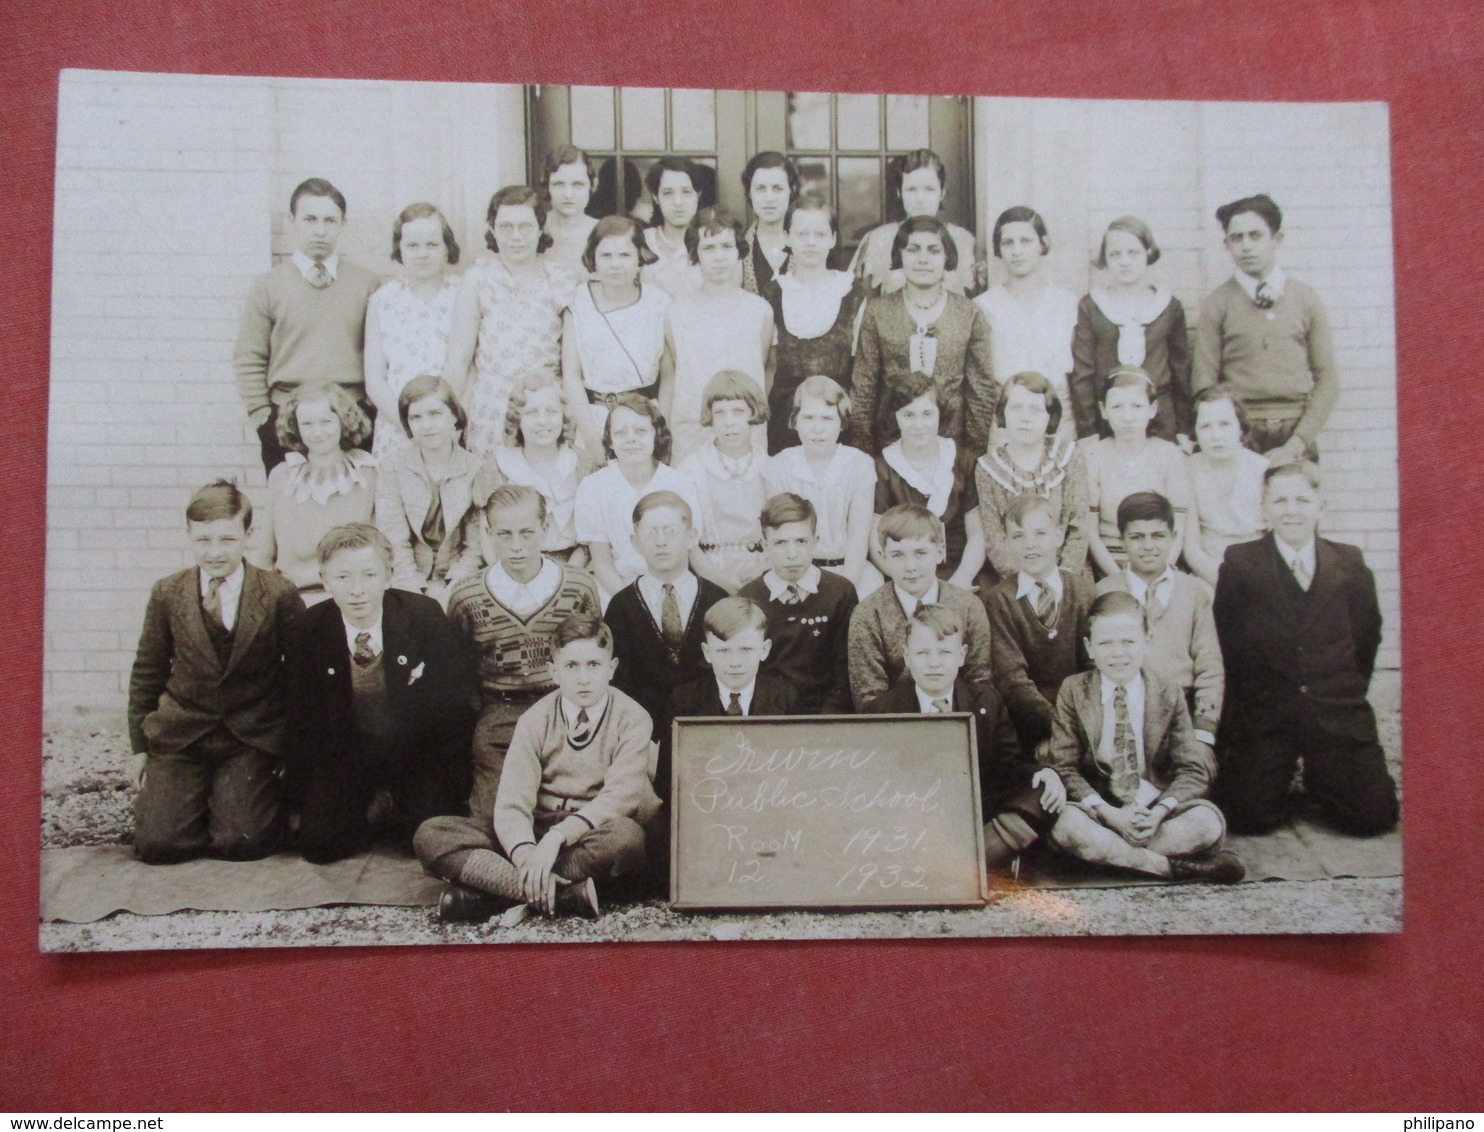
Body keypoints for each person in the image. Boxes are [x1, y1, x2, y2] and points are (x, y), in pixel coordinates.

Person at [414, 484, 601, 921]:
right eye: (503, 535)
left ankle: (488, 889)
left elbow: (591, 660)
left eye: (526, 532)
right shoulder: (467, 595)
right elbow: (458, 677)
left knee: (615, 834)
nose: (516, 547)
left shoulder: (577, 586)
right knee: (466, 831)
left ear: (545, 529)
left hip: (564, 712)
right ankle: (557, 892)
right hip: (500, 718)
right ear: (487, 535)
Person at [432, 613, 660, 923]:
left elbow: (620, 797)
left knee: (627, 839)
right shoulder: (535, 719)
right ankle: (561, 894)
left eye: (593, 665)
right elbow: (513, 801)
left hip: (586, 834)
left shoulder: (632, 718)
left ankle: (493, 892)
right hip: (537, 828)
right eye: (571, 666)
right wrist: (526, 852)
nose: (583, 678)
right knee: (433, 833)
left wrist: (557, 838)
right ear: (553, 672)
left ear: (611, 669)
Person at [1213, 462, 1398, 836]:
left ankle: (1324, 775)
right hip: (1268, 711)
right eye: (1280, 500)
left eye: (1302, 499)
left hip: (1334, 711)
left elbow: (1366, 635)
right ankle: (1279, 775)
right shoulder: (1241, 562)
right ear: (1265, 508)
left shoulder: (1348, 562)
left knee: (1371, 817)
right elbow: (1227, 639)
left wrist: (1340, 691)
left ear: (1320, 505)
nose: (1291, 510)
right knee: (1246, 815)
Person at [127, 481, 304, 864]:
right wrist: (140, 747)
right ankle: (185, 801)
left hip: (249, 737)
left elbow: (300, 677)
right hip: (182, 736)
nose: (214, 552)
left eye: (226, 539)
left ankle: (235, 801)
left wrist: (291, 747)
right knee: (159, 845)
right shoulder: (167, 593)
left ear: (248, 535)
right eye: (203, 540)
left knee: (242, 843)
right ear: (190, 537)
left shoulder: (278, 593)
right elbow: (147, 670)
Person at [286, 524, 473, 865]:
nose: (357, 590)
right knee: (318, 844)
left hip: (414, 755)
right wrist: (319, 790)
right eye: (343, 578)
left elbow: (454, 706)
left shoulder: (423, 616)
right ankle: (379, 807)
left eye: (369, 575)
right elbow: (303, 719)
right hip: (349, 756)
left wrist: (446, 778)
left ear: (388, 576)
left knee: (420, 839)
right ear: (324, 580)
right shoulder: (307, 630)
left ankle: (396, 807)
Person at [1043, 591, 1244, 884]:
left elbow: (1193, 769)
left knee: (1207, 823)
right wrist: (1110, 815)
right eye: (1105, 643)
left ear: (1147, 641)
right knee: (1067, 825)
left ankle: (1110, 857)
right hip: (1101, 809)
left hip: (1153, 807)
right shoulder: (1074, 690)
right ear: (1089, 648)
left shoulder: (1168, 692)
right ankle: (1170, 869)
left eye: (1128, 642)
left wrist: (1159, 813)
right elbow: (1064, 766)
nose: (1117, 653)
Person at [864, 603, 1063, 874]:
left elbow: (1009, 765)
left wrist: (1046, 773)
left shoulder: (986, 701)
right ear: (907, 657)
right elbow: (879, 784)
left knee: (1044, 794)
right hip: (916, 812)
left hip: (976, 808)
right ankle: (981, 862)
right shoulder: (882, 710)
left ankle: (969, 861)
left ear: (962, 655)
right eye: (923, 653)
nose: (934, 663)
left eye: (944, 652)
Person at [234, 177, 381, 473]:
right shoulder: (268, 286)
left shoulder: (366, 284)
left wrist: (369, 408)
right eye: (310, 219)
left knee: (352, 508)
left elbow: (380, 353)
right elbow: (249, 355)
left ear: (343, 224)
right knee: (295, 507)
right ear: (292, 222)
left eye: (330, 220)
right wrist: (262, 415)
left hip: (351, 415)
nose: (320, 230)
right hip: (287, 419)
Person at [1192, 194, 1339, 463]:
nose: (1246, 246)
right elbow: (1204, 385)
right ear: (1227, 244)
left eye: (1255, 236)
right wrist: (1230, 436)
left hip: (1295, 430)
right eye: (1237, 238)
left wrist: (1297, 443)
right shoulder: (1217, 304)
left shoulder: (1305, 299)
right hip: (1239, 433)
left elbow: (1328, 379)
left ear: (1276, 239)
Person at [444, 185, 582, 457]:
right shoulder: (478, 279)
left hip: (546, 407)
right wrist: (448, 417)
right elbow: (458, 360)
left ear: (541, 228)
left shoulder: (562, 279)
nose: (516, 237)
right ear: (492, 230)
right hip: (492, 406)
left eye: (525, 227)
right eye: (505, 227)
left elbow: (572, 363)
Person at [850, 216, 996, 457]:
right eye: (913, 249)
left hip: (952, 451)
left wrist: (971, 458)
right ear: (900, 255)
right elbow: (864, 387)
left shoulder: (969, 313)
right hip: (890, 451)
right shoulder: (878, 312)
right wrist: (865, 455)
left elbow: (981, 391)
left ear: (947, 256)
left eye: (934, 250)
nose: (923, 259)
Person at [1095, 492, 1223, 752]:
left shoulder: (1193, 591)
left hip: (1182, 717)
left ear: (1173, 538)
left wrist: (1203, 730)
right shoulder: (1103, 592)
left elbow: (1209, 666)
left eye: (1158, 536)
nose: (1148, 546)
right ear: (1122, 540)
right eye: (1137, 537)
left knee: (1193, 781)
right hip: (1121, 717)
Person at [605, 490, 729, 751]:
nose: (661, 541)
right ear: (635, 542)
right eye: (650, 533)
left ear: (691, 537)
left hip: (708, 733)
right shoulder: (621, 606)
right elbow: (618, 682)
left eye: (670, 531)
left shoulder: (717, 599)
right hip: (640, 738)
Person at [847, 502, 992, 708]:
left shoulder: (968, 607)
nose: (910, 567)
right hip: (895, 729)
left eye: (920, 553)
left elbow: (981, 685)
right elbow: (869, 699)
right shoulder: (868, 615)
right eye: (898, 555)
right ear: (882, 556)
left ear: (940, 551)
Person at [985, 494, 1094, 758]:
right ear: (1007, 542)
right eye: (1018, 536)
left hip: (1085, 726)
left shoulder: (1084, 593)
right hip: (1028, 731)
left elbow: (1093, 668)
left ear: (1058, 536)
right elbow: (1012, 680)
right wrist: (1057, 730)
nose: (1030, 545)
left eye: (1040, 533)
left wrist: (1077, 730)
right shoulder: (999, 600)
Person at [662, 206, 775, 462]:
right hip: (692, 432)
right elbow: (672, 377)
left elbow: (765, 367)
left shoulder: (759, 311)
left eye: (726, 247)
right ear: (696, 254)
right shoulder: (676, 313)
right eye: (709, 248)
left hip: (745, 433)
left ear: (738, 252)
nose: (719, 257)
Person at [1069, 215, 1191, 446]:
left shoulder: (1168, 306)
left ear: (1148, 253)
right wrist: (1088, 430)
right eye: (1115, 254)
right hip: (1109, 420)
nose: (1124, 261)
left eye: (1133, 253)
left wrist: (1184, 428)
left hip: (1160, 418)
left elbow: (1181, 370)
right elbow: (1082, 374)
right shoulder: (1091, 305)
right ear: (1105, 259)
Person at [761, 193, 869, 453]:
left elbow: (864, 371)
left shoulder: (852, 293)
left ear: (832, 239)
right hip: (785, 423)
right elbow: (767, 367)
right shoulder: (772, 293)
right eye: (801, 234)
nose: (811, 243)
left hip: (838, 422)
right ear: (786, 237)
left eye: (820, 235)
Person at [251, 382, 376, 605]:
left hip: (354, 600)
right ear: (295, 427)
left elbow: (381, 552)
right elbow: (263, 556)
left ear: (343, 421)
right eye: (307, 424)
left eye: (326, 421)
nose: (317, 432)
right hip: (293, 601)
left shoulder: (369, 474)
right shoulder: (282, 477)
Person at [572, 392, 701, 605]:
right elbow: (602, 563)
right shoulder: (594, 486)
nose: (631, 438)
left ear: (656, 435)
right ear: (610, 440)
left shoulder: (680, 483)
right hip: (617, 592)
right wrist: (635, 606)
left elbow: (688, 553)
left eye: (640, 430)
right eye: (620, 432)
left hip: (672, 589)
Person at [738, 492, 858, 716]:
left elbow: (845, 672)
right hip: (770, 716)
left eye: (801, 541)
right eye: (780, 542)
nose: (792, 554)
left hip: (828, 718)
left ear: (816, 541)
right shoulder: (750, 596)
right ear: (765, 544)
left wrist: (825, 723)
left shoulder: (840, 592)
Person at [374, 374, 486, 605]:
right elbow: (393, 539)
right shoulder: (393, 467)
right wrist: (414, 591)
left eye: (435, 414)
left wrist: (452, 591)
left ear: (454, 415)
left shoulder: (476, 468)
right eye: (416, 417)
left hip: (461, 578)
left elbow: (475, 546)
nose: (426, 425)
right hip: (406, 578)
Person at [560, 215, 667, 455]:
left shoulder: (658, 303)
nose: (615, 264)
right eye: (606, 256)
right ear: (593, 259)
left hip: (644, 419)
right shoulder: (579, 302)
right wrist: (590, 439)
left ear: (640, 259)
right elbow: (572, 376)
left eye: (625, 255)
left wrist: (662, 427)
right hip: (593, 419)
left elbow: (669, 375)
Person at [870, 372, 987, 592]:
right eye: (908, 415)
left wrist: (962, 579)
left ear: (940, 414)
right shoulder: (884, 468)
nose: (918, 424)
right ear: (894, 417)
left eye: (927, 414)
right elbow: (875, 541)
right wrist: (906, 579)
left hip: (958, 570)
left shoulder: (962, 460)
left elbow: (977, 534)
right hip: (903, 575)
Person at [364, 202, 461, 459]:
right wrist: (410, 426)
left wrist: (447, 424)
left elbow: (468, 364)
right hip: (398, 429)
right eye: (412, 246)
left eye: (432, 245)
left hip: (451, 429)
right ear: (400, 249)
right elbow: (374, 380)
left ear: (446, 248)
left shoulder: (463, 294)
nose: (422, 254)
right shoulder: (383, 301)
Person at [763, 375, 878, 593]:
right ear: (795, 421)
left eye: (827, 419)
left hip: (850, 570)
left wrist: (844, 590)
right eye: (808, 418)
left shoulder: (859, 465)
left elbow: (858, 538)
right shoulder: (779, 466)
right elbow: (781, 533)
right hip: (795, 572)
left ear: (842, 422)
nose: (818, 428)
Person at [975, 371, 1090, 582]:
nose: (1025, 418)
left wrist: (1062, 579)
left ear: (1050, 417)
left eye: (1035, 410)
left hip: (1067, 576)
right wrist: (1026, 583)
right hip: (1012, 580)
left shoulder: (1068, 456)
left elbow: (1079, 527)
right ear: (1003, 413)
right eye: (1016, 408)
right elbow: (995, 540)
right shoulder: (988, 468)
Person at [1082, 367, 1190, 578]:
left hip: (1162, 566)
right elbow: (1091, 535)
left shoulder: (1171, 456)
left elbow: (1178, 530)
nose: (1127, 417)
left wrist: (1159, 575)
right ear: (1103, 410)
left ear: (1152, 408)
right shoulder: (1092, 456)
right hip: (1109, 568)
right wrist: (1123, 580)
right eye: (1117, 407)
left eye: (1137, 406)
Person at [974, 206, 1078, 420]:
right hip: (1005, 418)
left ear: (1043, 243)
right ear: (999, 249)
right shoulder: (983, 307)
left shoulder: (1066, 303)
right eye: (1008, 243)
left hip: (1059, 416)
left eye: (1026, 241)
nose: (1017, 251)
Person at [678, 371, 771, 593]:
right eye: (720, 413)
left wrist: (758, 574)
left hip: (762, 572)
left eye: (738, 412)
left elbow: (779, 533)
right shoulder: (691, 470)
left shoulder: (770, 468)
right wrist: (722, 582)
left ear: (753, 413)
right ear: (710, 417)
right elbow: (689, 545)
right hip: (708, 574)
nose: (729, 422)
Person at [848, 148, 980, 297]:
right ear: (899, 193)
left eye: (929, 189)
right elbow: (865, 303)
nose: (920, 199)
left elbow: (974, 301)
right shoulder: (879, 238)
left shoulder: (963, 240)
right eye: (911, 189)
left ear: (942, 192)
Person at [494, 373, 595, 565]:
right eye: (532, 412)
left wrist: (569, 575)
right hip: (513, 566)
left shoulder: (581, 463)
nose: (542, 420)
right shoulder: (500, 466)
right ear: (518, 419)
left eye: (551, 411)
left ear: (563, 416)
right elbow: (487, 538)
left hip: (572, 566)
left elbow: (590, 539)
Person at [1183, 385, 1269, 589]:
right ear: (1194, 431)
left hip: (1259, 574)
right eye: (1205, 426)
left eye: (1224, 424)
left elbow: (1275, 540)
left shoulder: (1262, 470)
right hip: (1207, 574)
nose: (1216, 435)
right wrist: (1227, 584)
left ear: (1240, 428)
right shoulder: (1188, 470)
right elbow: (1192, 549)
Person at [641, 156, 707, 297]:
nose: (678, 202)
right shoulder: (642, 240)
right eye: (668, 193)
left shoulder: (711, 241)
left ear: (698, 195)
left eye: (686, 192)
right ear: (656, 197)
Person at [738, 151, 799, 295]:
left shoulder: (808, 244)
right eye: (760, 189)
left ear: (791, 191)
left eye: (777, 188)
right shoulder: (737, 248)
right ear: (749, 193)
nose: (769, 198)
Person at [538, 145, 599, 269]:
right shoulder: (534, 230)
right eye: (559, 184)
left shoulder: (603, 232)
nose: (568, 194)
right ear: (547, 186)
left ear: (593, 185)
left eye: (577, 184)